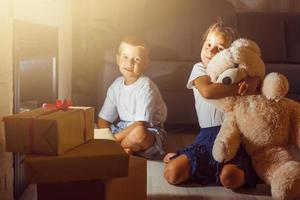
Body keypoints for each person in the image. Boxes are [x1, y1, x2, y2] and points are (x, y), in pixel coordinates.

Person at [163, 21, 260, 189]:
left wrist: (254, 79)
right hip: (207, 138)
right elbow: (208, 92)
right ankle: (193, 162)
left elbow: (257, 75)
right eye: (208, 44)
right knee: (172, 174)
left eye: (220, 48)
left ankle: (233, 169)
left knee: (231, 178)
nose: (211, 50)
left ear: (232, 54)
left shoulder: (239, 72)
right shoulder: (200, 69)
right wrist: (240, 86)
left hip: (234, 138)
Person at [97, 36, 167, 159]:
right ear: (118, 59)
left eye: (137, 59)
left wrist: (112, 140)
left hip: (148, 130)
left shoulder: (146, 87)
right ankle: (123, 148)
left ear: (145, 63)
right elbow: (103, 119)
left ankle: (114, 150)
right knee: (92, 128)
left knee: (139, 134)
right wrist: (105, 135)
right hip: (123, 128)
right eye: (125, 57)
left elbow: (141, 123)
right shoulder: (116, 85)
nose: (130, 63)